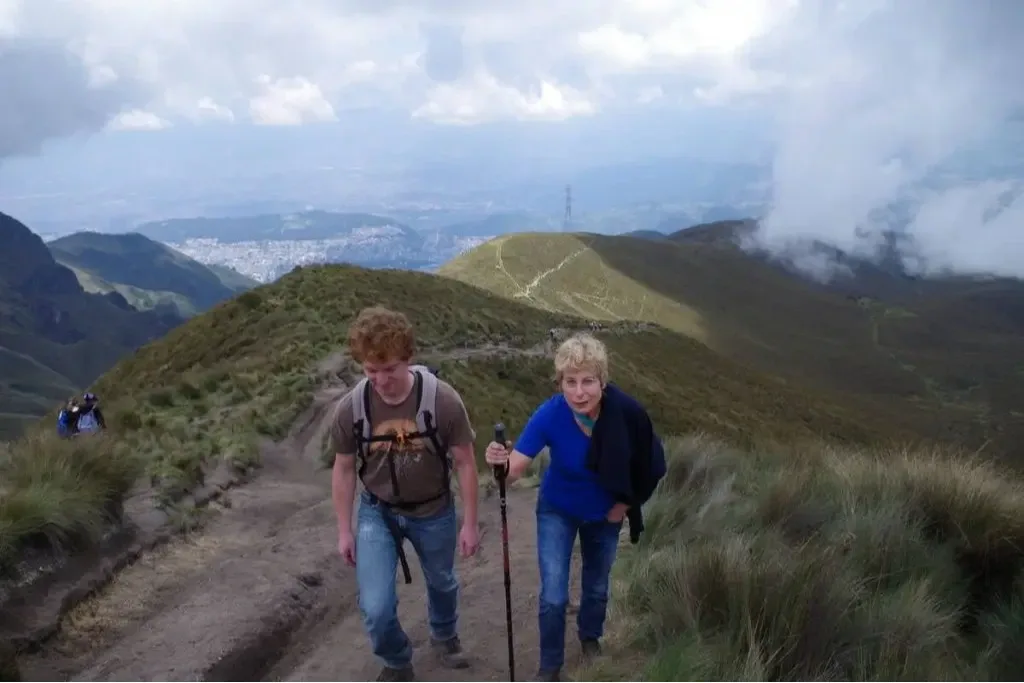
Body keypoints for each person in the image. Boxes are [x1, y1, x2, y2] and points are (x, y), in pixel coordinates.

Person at [485, 331, 666, 681]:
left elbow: (652, 465)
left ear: (603, 382)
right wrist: (498, 463)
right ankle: (550, 666)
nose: (579, 392)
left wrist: (625, 505)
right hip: (558, 509)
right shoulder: (550, 415)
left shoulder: (627, 415)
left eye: (588, 381)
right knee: (554, 595)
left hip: (605, 513)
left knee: (596, 586)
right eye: (570, 382)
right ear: (560, 383)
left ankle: (590, 637)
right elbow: (512, 472)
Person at [329, 306, 482, 682]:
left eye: (389, 369)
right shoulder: (351, 409)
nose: (380, 380)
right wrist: (344, 529)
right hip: (377, 512)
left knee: (443, 581)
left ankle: (444, 634)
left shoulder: (443, 401)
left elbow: (464, 462)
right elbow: (344, 468)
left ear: (409, 360)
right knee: (375, 606)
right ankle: (397, 661)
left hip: (433, 510)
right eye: (370, 371)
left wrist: (471, 524)